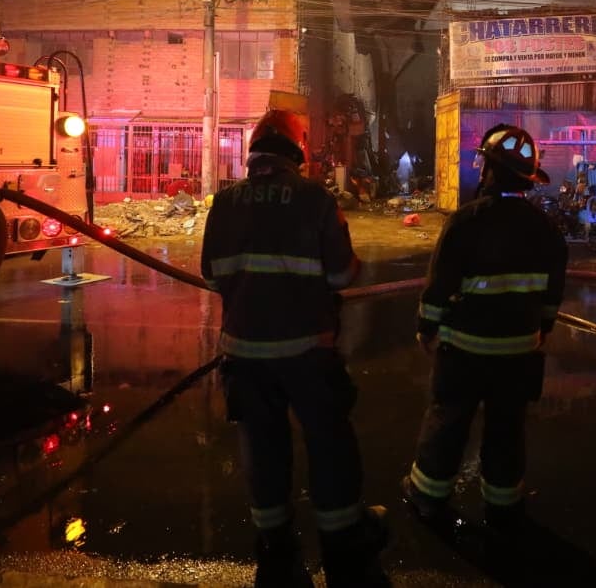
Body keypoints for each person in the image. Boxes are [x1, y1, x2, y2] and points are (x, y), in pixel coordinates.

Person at [201, 108, 389, 588]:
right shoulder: (315, 200)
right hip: (307, 352)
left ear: (253, 154)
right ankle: (342, 539)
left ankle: (276, 544)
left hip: (244, 354)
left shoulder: (225, 203)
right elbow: (341, 275)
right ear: (296, 152)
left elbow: (212, 276)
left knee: (261, 445)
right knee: (328, 440)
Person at [401, 123, 568, 530]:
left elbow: (439, 285)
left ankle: (427, 496)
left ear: (491, 170)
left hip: (464, 350)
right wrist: (542, 330)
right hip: (519, 352)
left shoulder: (465, 222)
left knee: (448, 421)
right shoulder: (546, 228)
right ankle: (503, 505)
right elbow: (552, 294)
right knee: (507, 428)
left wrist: (426, 327)